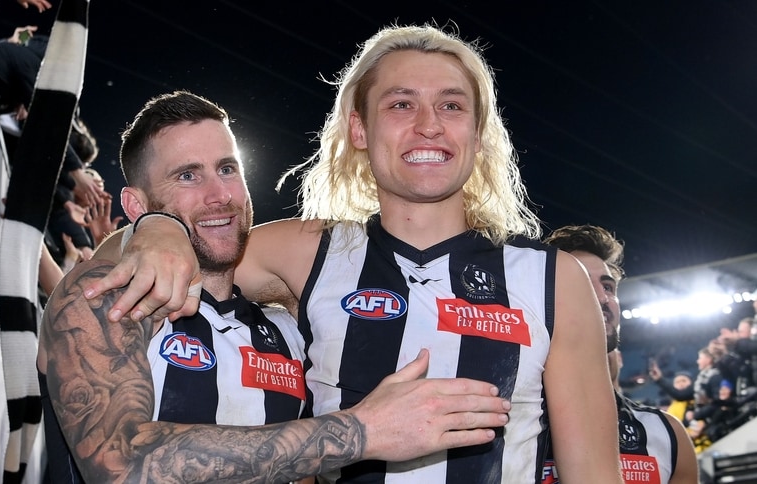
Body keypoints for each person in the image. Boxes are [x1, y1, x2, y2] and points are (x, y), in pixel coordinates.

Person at [87, 24, 622, 483]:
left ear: (478, 133)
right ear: (359, 130)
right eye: (401, 103)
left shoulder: (555, 279)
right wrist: (157, 227)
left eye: (452, 105)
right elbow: (137, 262)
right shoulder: (306, 253)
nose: (429, 124)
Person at [38, 89, 512, 483]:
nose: (219, 194)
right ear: (136, 204)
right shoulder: (108, 295)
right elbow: (123, 465)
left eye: (227, 169)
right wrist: (364, 430)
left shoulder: (287, 326)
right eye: (187, 176)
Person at [544, 224, 698, 484]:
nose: (603, 298)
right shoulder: (507, 424)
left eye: (608, 287)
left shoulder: (667, 435)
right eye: (581, 282)